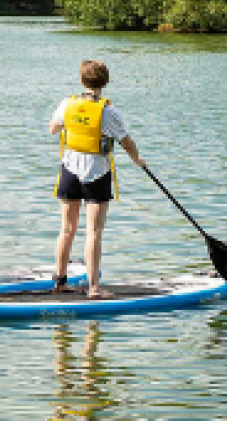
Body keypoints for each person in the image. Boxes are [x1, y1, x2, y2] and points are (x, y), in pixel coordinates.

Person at [48, 60, 145, 299]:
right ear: (105, 82)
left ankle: (59, 281)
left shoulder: (67, 103)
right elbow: (127, 142)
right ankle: (93, 288)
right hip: (97, 174)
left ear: (82, 81)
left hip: (69, 170)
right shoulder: (108, 111)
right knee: (93, 233)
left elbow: (53, 129)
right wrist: (137, 160)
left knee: (67, 229)